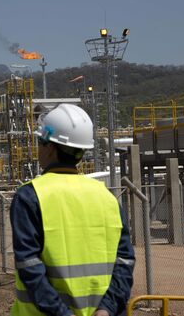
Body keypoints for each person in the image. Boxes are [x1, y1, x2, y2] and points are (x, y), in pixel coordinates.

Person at [10, 104, 135, 316]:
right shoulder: (107, 197)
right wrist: (106, 309)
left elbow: (29, 266)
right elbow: (125, 260)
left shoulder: (30, 196)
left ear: (49, 147)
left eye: (40, 142)